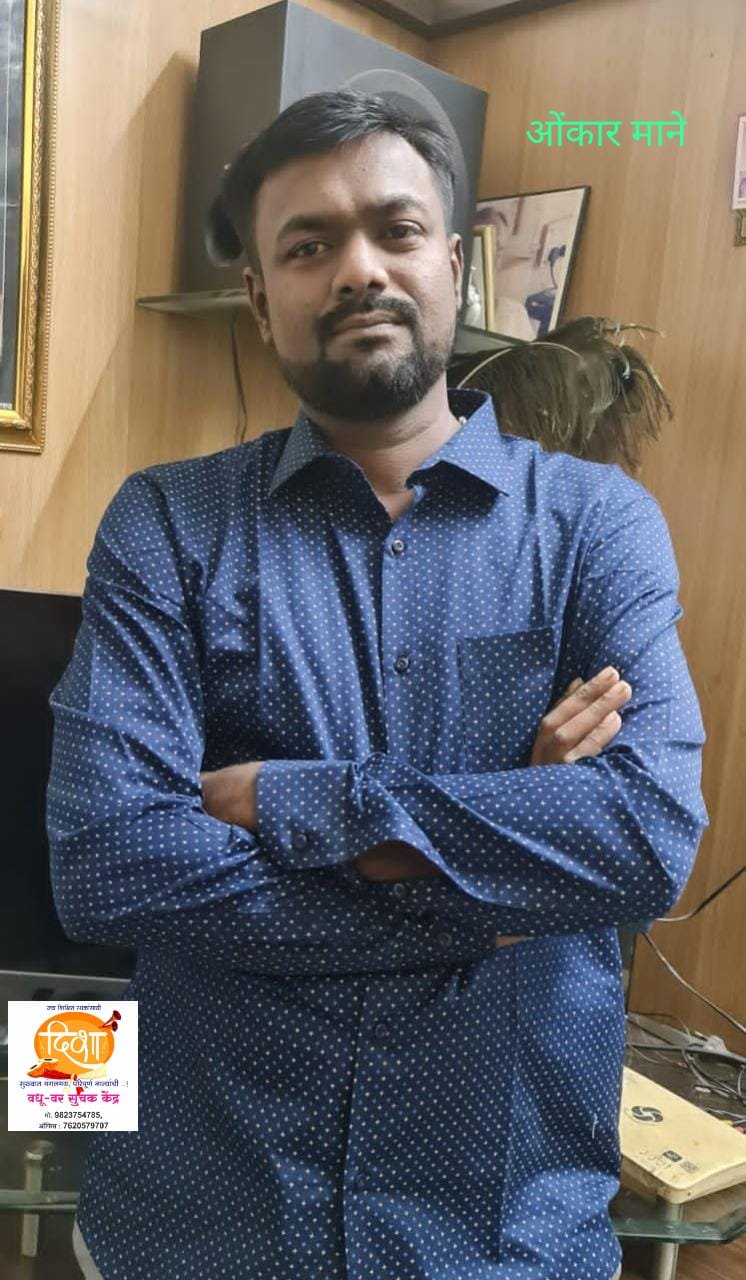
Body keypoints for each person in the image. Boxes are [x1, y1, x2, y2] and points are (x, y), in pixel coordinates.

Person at [47, 90, 708, 1280]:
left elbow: (642, 838)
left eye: (394, 229)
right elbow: (108, 861)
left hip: (499, 1234)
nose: (358, 267)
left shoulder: (593, 527)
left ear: (450, 263)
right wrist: (498, 872)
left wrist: (293, 799)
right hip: (203, 1225)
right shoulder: (166, 524)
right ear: (261, 296)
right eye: (308, 245)